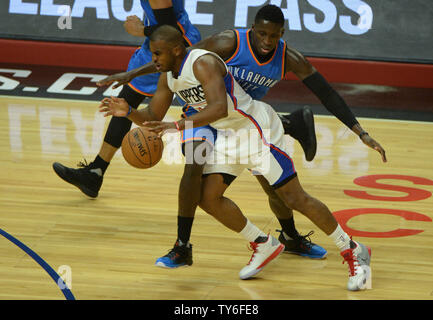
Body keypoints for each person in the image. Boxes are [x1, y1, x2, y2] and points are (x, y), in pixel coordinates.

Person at [97, 5, 386, 267]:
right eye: (261, 34)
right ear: (252, 30)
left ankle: (338, 245)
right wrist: (129, 107)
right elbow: (163, 83)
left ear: (281, 35)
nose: (266, 41)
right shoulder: (210, 50)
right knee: (203, 190)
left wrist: (359, 131)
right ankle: (251, 243)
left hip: (250, 125)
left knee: (286, 193)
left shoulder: (209, 63)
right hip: (217, 126)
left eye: (273, 36)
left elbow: (323, 93)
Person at [53, 2, 326, 267]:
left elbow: (216, 102)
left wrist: (136, 74)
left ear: (173, 50)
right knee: (192, 170)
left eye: (157, 55)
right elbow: (151, 116)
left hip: (226, 118)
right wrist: (128, 110)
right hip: (198, 121)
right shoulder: (167, 73)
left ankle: (289, 234)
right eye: (152, 55)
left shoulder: (202, 62)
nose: (155, 60)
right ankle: (183, 247)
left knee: (269, 181)